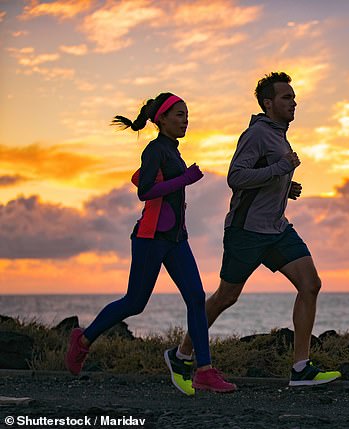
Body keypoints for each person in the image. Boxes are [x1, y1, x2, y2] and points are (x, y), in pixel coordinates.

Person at [163, 72, 341, 395]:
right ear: (268, 103)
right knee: (225, 297)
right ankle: (181, 355)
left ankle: (301, 368)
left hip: (276, 229)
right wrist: (280, 170)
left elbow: (265, 178)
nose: (294, 102)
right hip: (246, 232)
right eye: (287, 98)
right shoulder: (257, 134)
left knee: (310, 284)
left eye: (294, 97)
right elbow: (236, 177)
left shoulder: (280, 136)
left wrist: (285, 188)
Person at [64, 92, 236, 396]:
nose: (186, 120)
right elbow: (145, 191)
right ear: (162, 120)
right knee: (135, 303)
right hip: (150, 238)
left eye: (187, 115)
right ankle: (83, 340)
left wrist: (182, 180)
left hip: (175, 238)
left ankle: (204, 371)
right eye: (180, 115)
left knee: (196, 298)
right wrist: (186, 179)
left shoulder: (173, 151)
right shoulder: (154, 149)